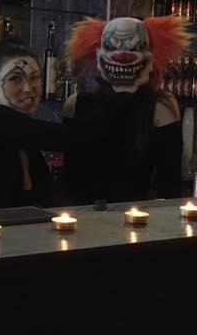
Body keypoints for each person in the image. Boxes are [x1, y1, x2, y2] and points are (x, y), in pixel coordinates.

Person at [0, 39, 97, 211]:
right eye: (15, 79)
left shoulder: (22, 135)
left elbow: (50, 195)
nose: (28, 88)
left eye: (34, 78)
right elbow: (66, 138)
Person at [63, 15, 192, 205]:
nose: (123, 56)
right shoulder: (75, 104)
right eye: (113, 47)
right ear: (99, 56)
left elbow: (169, 188)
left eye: (134, 48)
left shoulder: (159, 107)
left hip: (135, 219)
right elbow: (68, 180)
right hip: (81, 218)